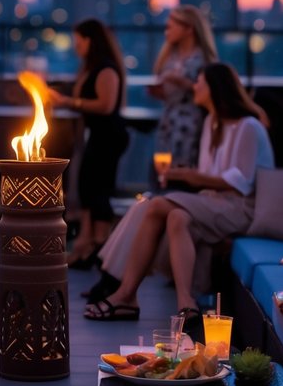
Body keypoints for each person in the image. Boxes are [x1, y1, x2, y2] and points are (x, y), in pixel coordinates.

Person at [84, 62, 274, 328]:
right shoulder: (212, 122)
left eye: (199, 82)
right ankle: (187, 303)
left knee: (157, 204)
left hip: (241, 208)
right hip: (215, 201)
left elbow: (241, 183)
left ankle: (125, 294)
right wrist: (191, 174)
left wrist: (190, 176)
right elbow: (211, 175)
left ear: (215, 88)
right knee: (176, 218)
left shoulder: (248, 126)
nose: (194, 87)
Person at [47, 19, 128, 268]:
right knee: (87, 187)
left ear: (90, 40)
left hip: (108, 136)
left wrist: (70, 103)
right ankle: (87, 243)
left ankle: (100, 245)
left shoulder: (106, 69)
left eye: (78, 41)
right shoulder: (92, 68)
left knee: (98, 190)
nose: (76, 47)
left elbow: (106, 105)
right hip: (97, 135)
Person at [150, 5, 217, 168]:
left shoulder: (203, 59)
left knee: (184, 168)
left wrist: (182, 82)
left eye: (171, 27)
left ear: (188, 29)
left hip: (190, 125)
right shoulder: (169, 56)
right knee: (163, 168)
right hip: (168, 122)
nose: (167, 32)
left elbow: (212, 90)